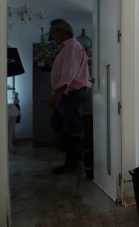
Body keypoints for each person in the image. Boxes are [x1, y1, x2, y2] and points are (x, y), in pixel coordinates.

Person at [49, 19, 92, 174]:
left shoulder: (72, 47)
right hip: (70, 93)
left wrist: (56, 95)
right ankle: (76, 157)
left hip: (71, 93)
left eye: (52, 31)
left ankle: (72, 162)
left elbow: (68, 75)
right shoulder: (68, 48)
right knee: (64, 126)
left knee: (71, 128)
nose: (51, 35)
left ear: (62, 32)